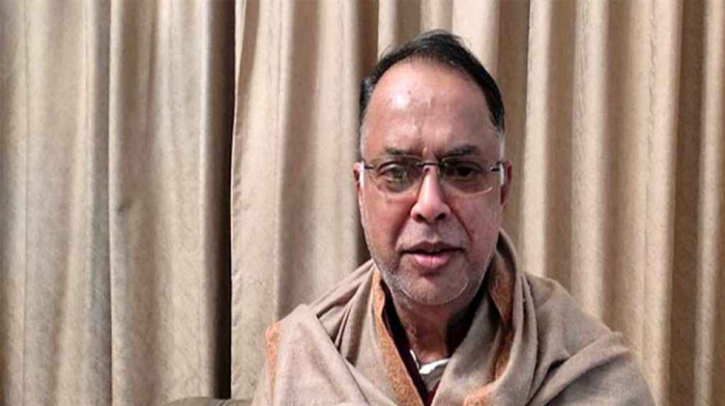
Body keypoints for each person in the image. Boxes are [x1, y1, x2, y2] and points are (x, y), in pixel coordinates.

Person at [251, 30, 655, 406]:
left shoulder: (585, 370)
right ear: (361, 190)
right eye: (398, 172)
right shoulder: (301, 359)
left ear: (502, 188)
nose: (430, 205)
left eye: (462, 170)